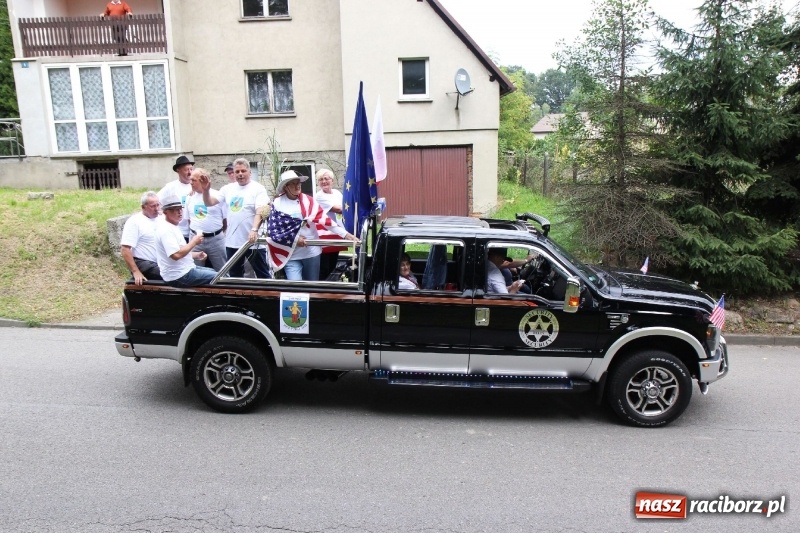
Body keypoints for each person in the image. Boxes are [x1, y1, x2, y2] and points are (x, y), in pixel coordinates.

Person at [271, 170, 357, 281]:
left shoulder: (309, 201)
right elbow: (274, 229)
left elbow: (326, 221)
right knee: (295, 285)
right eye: (293, 183)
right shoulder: (277, 203)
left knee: (312, 285)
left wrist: (346, 235)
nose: (297, 185)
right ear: (285, 187)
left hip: (311, 252)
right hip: (291, 254)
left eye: (298, 182)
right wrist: (295, 239)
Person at [200, 158, 271, 278]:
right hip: (232, 242)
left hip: (253, 242)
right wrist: (206, 190)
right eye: (237, 171)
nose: (240, 174)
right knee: (234, 275)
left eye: (243, 171)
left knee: (262, 274)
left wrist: (254, 230)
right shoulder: (227, 189)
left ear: (250, 172)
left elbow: (260, 210)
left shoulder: (258, 188)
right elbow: (209, 203)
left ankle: (267, 296)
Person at [155, 195, 217, 287]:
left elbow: (178, 251)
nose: (180, 212)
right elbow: (176, 255)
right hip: (178, 276)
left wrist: (196, 255)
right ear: (166, 212)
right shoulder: (166, 230)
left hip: (185, 270)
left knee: (214, 272)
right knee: (219, 277)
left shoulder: (173, 226)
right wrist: (194, 242)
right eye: (175, 210)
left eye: (180, 209)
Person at [186, 168, 228, 271]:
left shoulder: (218, 196)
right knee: (195, 270)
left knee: (222, 270)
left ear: (203, 180)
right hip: (195, 239)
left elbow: (225, 221)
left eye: (194, 180)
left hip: (216, 239)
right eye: (190, 180)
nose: (191, 183)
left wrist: (216, 233)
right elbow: (189, 220)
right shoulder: (189, 197)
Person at [119, 191, 162, 285]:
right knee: (172, 274)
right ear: (143, 207)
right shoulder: (134, 222)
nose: (156, 209)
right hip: (144, 263)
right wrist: (135, 271)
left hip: (161, 261)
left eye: (158, 205)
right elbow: (125, 249)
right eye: (153, 206)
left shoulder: (161, 219)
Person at [314, 168, 345, 280]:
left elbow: (345, 206)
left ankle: (332, 285)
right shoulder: (319, 196)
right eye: (320, 179)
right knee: (324, 266)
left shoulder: (337, 193)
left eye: (326, 179)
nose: (324, 182)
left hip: (336, 232)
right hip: (324, 234)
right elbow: (339, 209)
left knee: (333, 263)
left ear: (332, 180)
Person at [158, 155, 194, 242]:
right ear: (178, 170)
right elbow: (156, 200)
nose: (189, 172)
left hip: (193, 232)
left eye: (191, 169)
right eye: (186, 170)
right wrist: (163, 214)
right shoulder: (171, 187)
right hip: (177, 231)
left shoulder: (195, 186)